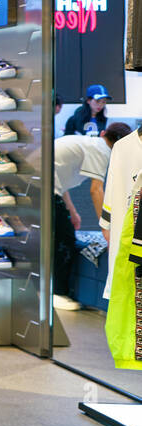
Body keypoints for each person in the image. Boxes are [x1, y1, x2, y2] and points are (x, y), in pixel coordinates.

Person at [51, 123, 131, 311]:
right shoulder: (102, 150)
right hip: (45, 189)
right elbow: (96, 190)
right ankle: (58, 293)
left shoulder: (90, 144)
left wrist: (72, 211)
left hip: (45, 186)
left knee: (59, 238)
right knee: (65, 241)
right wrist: (106, 227)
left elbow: (60, 183)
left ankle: (53, 291)